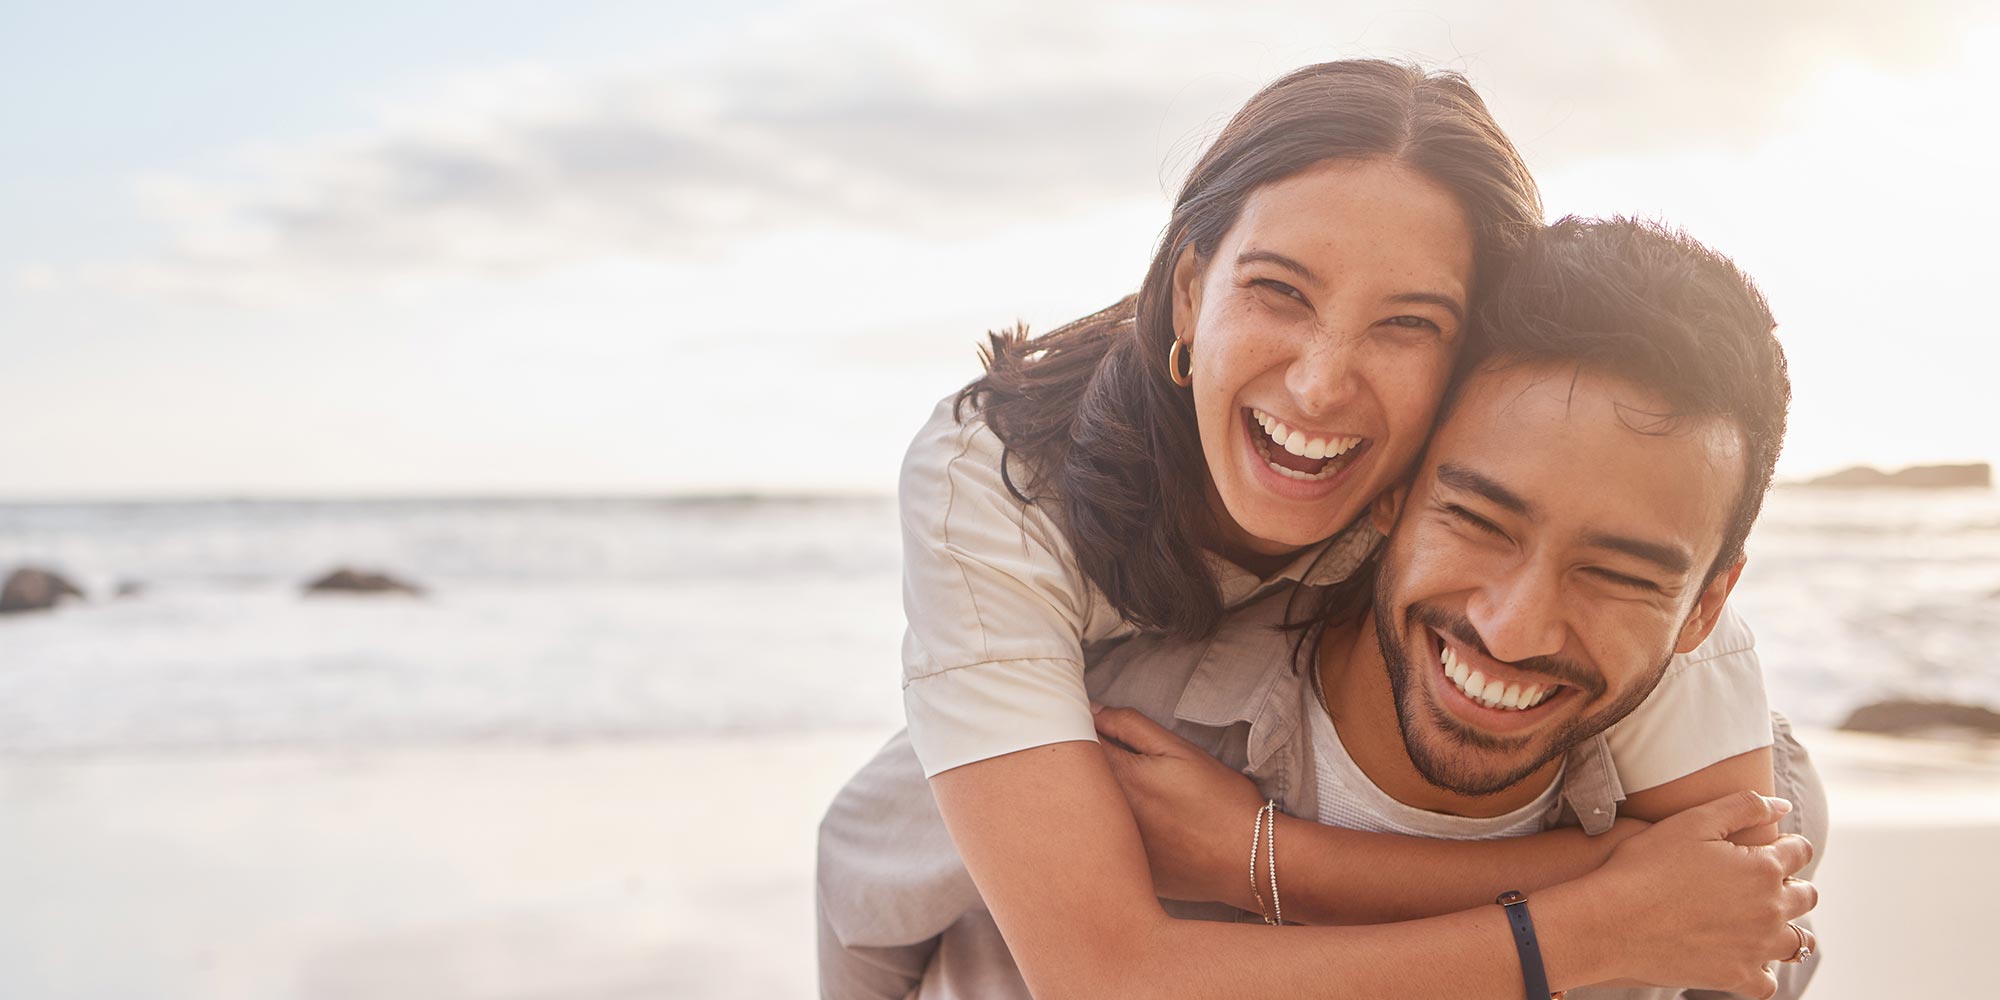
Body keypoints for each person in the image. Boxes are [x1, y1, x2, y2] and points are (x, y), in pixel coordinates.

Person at [830, 60, 1798, 997]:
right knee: (887, 840)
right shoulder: (996, 486)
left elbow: (1735, 888)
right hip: (924, 850)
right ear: (1188, 289)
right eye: (1278, 291)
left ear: (1474, 363)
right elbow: (1101, 973)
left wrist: (1267, 855)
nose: (1320, 383)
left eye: (1408, 323)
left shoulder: (1513, 488)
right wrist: (1586, 920)